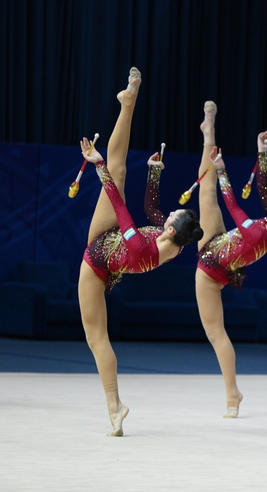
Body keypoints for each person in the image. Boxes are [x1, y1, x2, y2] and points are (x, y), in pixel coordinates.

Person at [78, 67, 204, 436]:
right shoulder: (173, 245)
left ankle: (115, 406)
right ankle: (128, 101)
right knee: (117, 171)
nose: (170, 215)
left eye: (174, 215)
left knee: (96, 338)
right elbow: (152, 211)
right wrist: (154, 173)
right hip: (110, 244)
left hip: (98, 260)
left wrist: (97, 164)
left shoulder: (144, 246)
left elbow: (120, 206)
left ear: (169, 230)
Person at [194, 101, 267, 418]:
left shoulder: (263, 236)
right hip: (218, 242)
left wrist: (223, 172)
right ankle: (208, 130)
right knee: (205, 190)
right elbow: (265, 189)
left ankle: (233, 394)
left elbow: (235, 209)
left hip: (211, 270)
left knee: (217, 334)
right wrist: (262, 152)